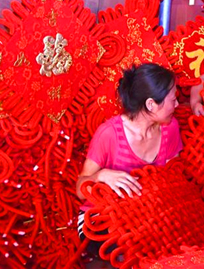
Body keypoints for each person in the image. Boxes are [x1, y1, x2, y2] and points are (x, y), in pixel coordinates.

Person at [76, 63, 182, 241]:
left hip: (148, 215)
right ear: (151, 105)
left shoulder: (170, 128)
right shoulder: (109, 134)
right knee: (130, 251)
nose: (178, 104)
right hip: (102, 216)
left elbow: (175, 178)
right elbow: (80, 189)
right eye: (173, 100)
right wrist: (100, 176)